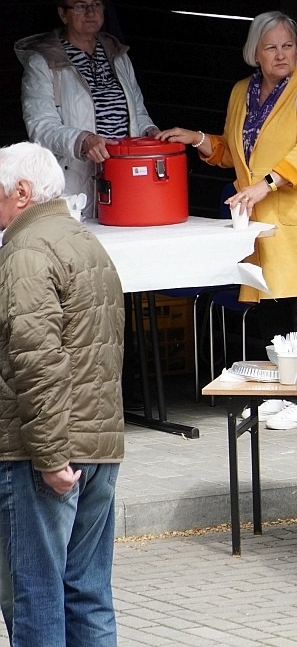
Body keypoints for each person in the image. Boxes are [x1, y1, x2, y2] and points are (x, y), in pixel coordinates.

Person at [158, 11, 297, 430]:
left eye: (288, 46)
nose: (281, 54)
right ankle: (280, 392)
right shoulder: (242, 91)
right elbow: (235, 155)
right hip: (257, 224)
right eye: (271, 46)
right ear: (254, 52)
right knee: (272, 313)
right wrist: (198, 139)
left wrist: (266, 184)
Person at [0, 142, 125, 645]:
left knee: (38, 596)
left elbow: (38, 360)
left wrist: (50, 457)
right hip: (97, 445)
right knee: (89, 595)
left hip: (46, 455)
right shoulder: (85, 241)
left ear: (22, 193)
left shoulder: (26, 251)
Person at [14, 0, 159, 215]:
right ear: (63, 14)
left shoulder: (118, 56)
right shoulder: (43, 61)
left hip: (125, 177)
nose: (90, 12)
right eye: (80, 6)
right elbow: (40, 127)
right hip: (72, 180)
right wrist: (83, 140)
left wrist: (151, 133)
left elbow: (137, 115)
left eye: (96, 4)